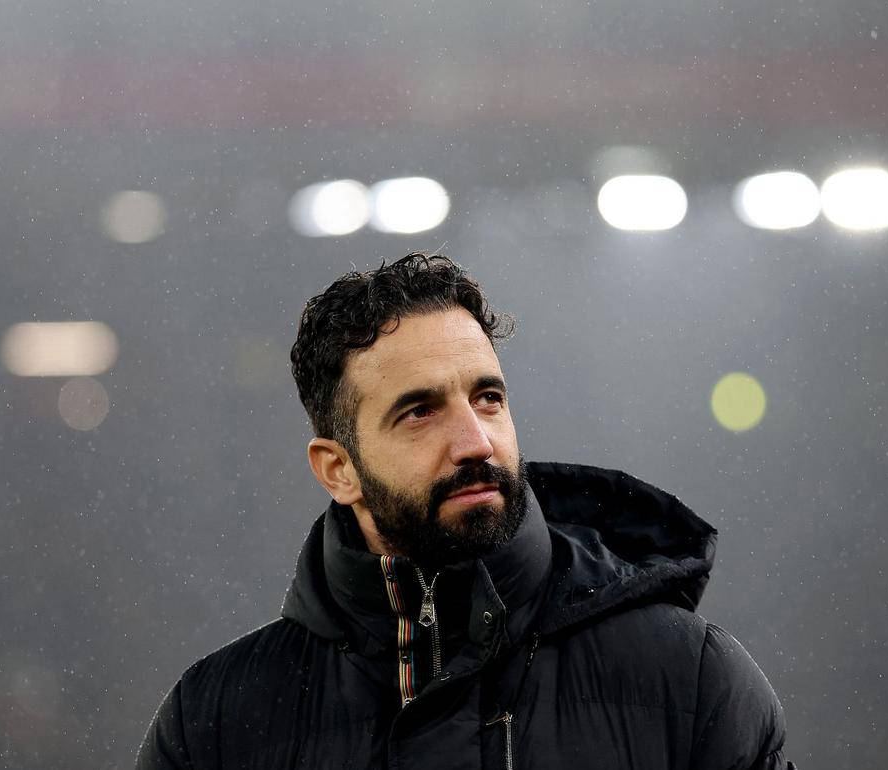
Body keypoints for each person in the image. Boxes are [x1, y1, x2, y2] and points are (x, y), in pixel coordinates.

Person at [136, 253, 795, 770]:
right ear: (338, 470)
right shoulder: (213, 721)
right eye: (420, 411)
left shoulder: (690, 679)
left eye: (487, 399)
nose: (476, 442)